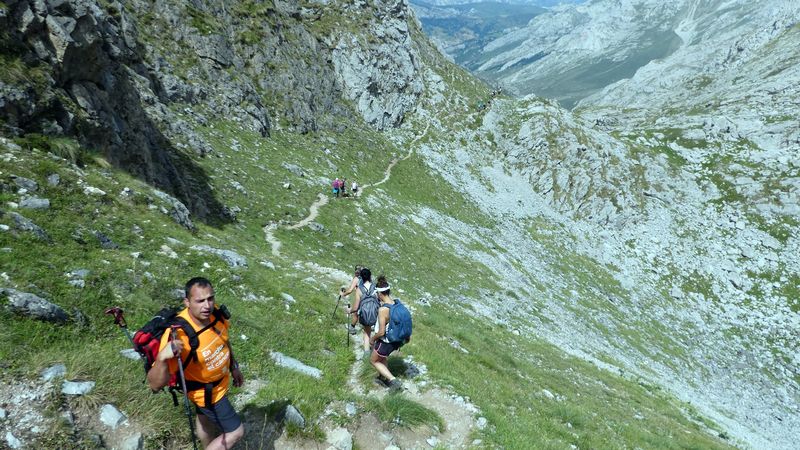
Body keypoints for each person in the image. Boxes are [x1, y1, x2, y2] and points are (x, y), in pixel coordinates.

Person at [147, 277, 244, 450]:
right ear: (187, 302)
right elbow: (154, 385)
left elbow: (224, 340)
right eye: (200, 301)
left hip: (219, 383)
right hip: (207, 393)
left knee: (204, 420)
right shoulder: (178, 334)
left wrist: (233, 366)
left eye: (210, 298)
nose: (207, 306)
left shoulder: (216, 314)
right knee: (236, 432)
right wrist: (162, 358)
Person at [369, 275, 405, 391]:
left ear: (380, 294)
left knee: (373, 361)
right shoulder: (396, 304)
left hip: (385, 341)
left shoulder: (383, 309)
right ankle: (383, 377)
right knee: (382, 357)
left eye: (377, 294)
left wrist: (372, 339)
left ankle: (393, 381)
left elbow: (381, 332)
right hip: (395, 340)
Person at [346, 268, 377, 356]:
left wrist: (350, 310)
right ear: (370, 276)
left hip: (365, 314)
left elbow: (356, 308)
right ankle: (378, 351)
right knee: (378, 332)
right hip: (376, 313)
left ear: (361, 277)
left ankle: (366, 353)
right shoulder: (375, 287)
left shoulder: (359, 289)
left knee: (367, 332)